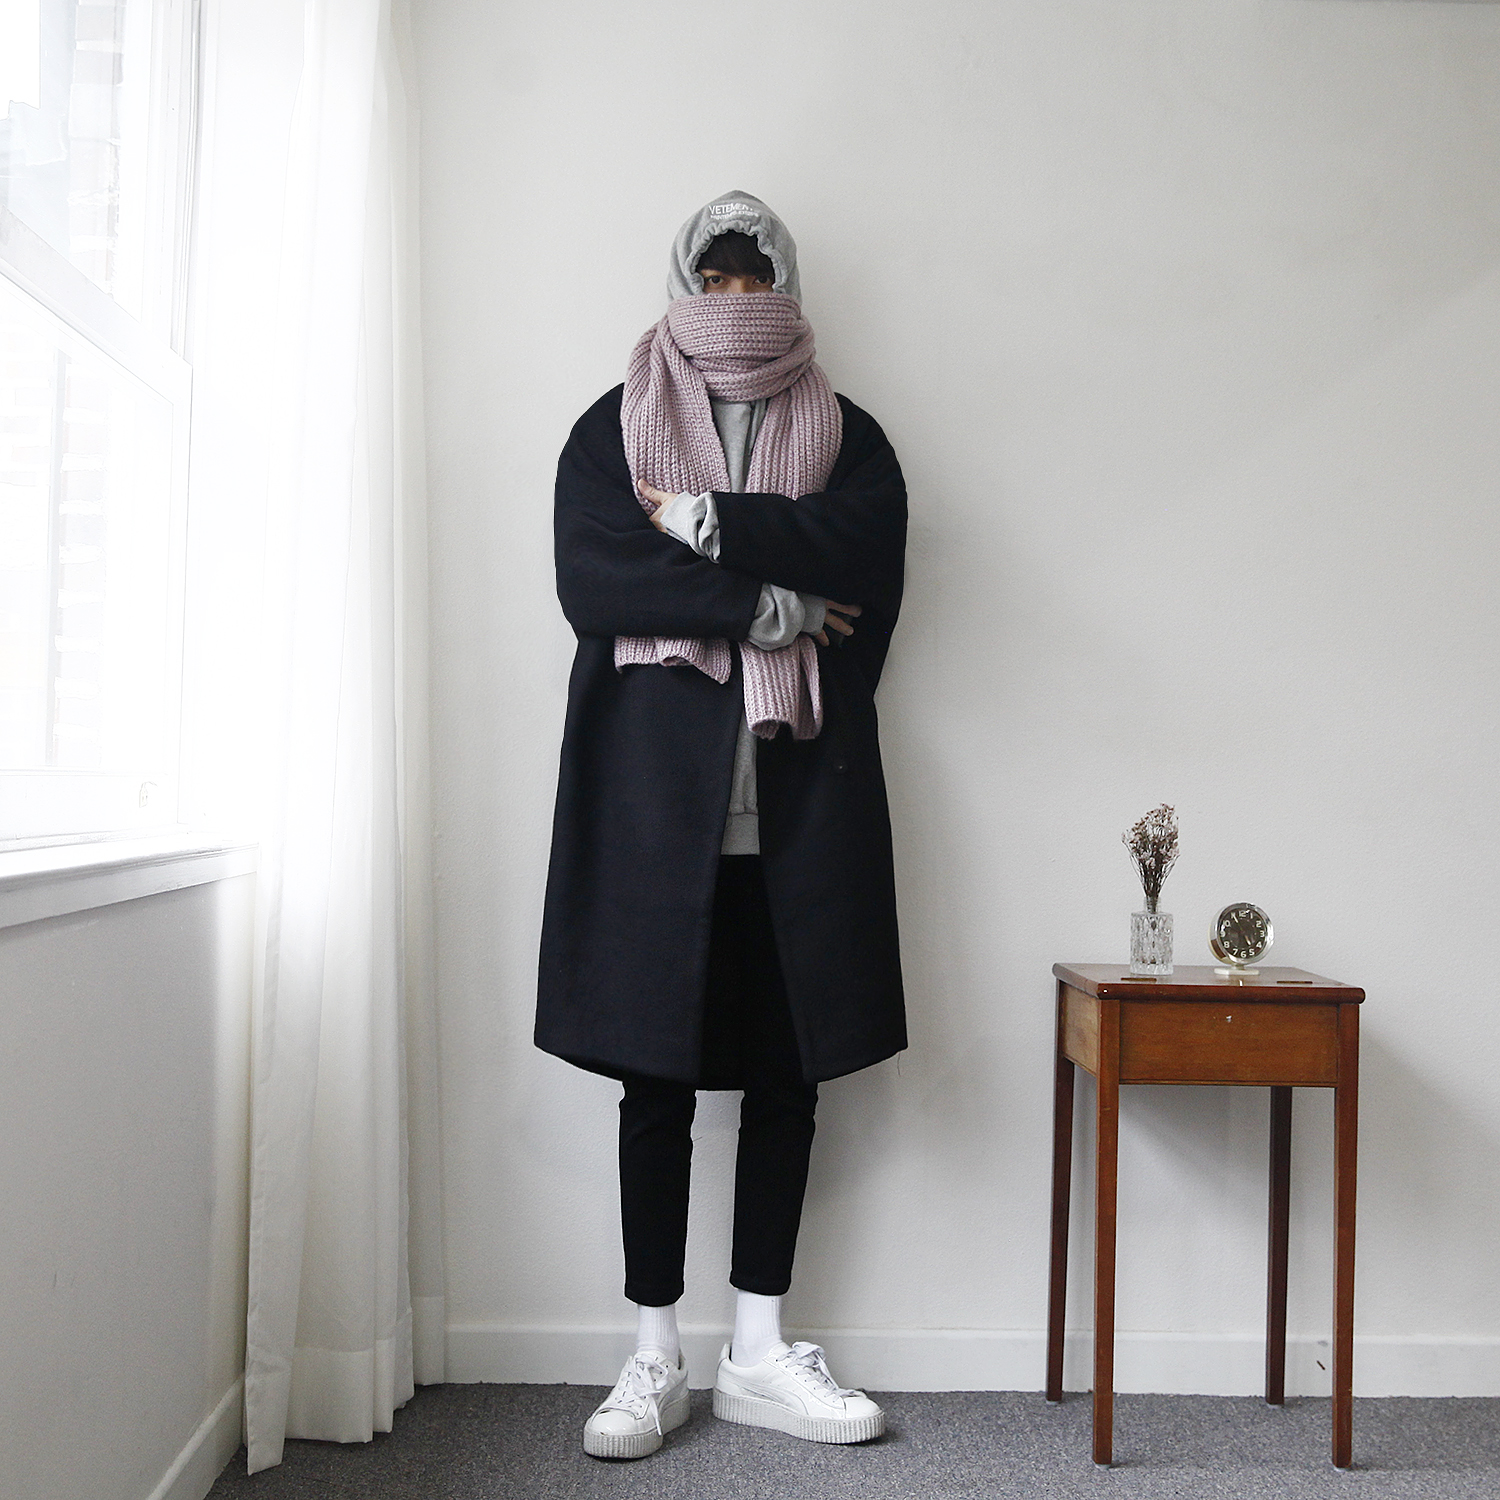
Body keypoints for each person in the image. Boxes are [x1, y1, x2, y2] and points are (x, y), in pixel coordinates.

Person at [536, 190, 908, 1459]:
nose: (738, 299)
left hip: (798, 804)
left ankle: (758, 1347)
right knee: (651, 1079)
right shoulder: (615, 425)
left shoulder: (848, 437)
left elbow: (865, 559)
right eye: (719, 277)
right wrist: (771, 604)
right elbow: (597, 579)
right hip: (655, 810)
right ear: (687, 282)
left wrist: (699, 527)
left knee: (787, 1076)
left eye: (758, 279)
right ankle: (654, 1354)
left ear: (786, 287)